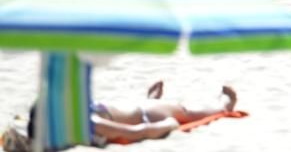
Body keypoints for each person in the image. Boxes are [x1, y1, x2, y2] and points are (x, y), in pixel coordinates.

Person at [29, 80, 238, 145]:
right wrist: (168, 125)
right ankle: (227, 102)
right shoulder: (89, 122)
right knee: (191, 112)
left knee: (137, 106)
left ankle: (152, 99)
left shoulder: (74, 124)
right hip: (149, 115)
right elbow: (138, 132)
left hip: (138, 108)